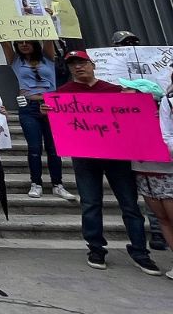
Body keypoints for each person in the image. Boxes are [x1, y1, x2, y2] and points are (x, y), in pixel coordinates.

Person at [56, 51, 162, 274]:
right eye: (73, 64)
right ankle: (96, 248)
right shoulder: (64, 94)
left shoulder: (114, 91)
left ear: (92, 65)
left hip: (117, 157)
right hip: (85, 157)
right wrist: (48, 111)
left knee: (130, 205)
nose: (78, 67)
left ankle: (140, 251)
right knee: (90, 204)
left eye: (82, 63)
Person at [110, 28, 169, 252]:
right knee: (140, 189)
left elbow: (164, 94)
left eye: (132, 43)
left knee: (159, 187)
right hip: (128, 136)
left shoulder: (155, 67)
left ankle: (157, 231)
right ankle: (148, 234)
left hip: (157, 133)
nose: (129, 47)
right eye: (124, 44)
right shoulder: (111, 69)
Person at [0, 39, 76, 201]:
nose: (24, 44)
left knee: (53, 148)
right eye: (20, 43)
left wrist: (46, 17)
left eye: (28, 42)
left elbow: (48, 37)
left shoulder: (47, 58)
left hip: (51, 105)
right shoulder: (16, 61)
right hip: (29, 106)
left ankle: (58, 184)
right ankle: (36, 183)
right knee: (34, 147)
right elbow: (3, 42)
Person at [133, 79, 173, 276]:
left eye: (132, 91)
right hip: (143, 172)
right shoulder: (128, 117)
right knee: (163, 219)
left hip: (168, 171)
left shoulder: (164, 112)